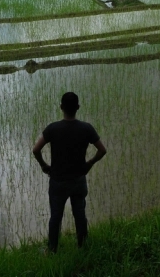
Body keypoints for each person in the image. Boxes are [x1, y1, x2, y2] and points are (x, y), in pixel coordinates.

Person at [32, 92, 107, 253]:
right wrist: (90, 163)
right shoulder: (86, 128)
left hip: (58, 181)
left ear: (61, 107)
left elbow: (36, 149)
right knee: (79, 213)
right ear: (78, 108)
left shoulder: (53, 128)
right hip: (78, 180)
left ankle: (52, 250)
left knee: (56, 217)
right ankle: (83, 245)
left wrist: (44, 165)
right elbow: (102, 150)